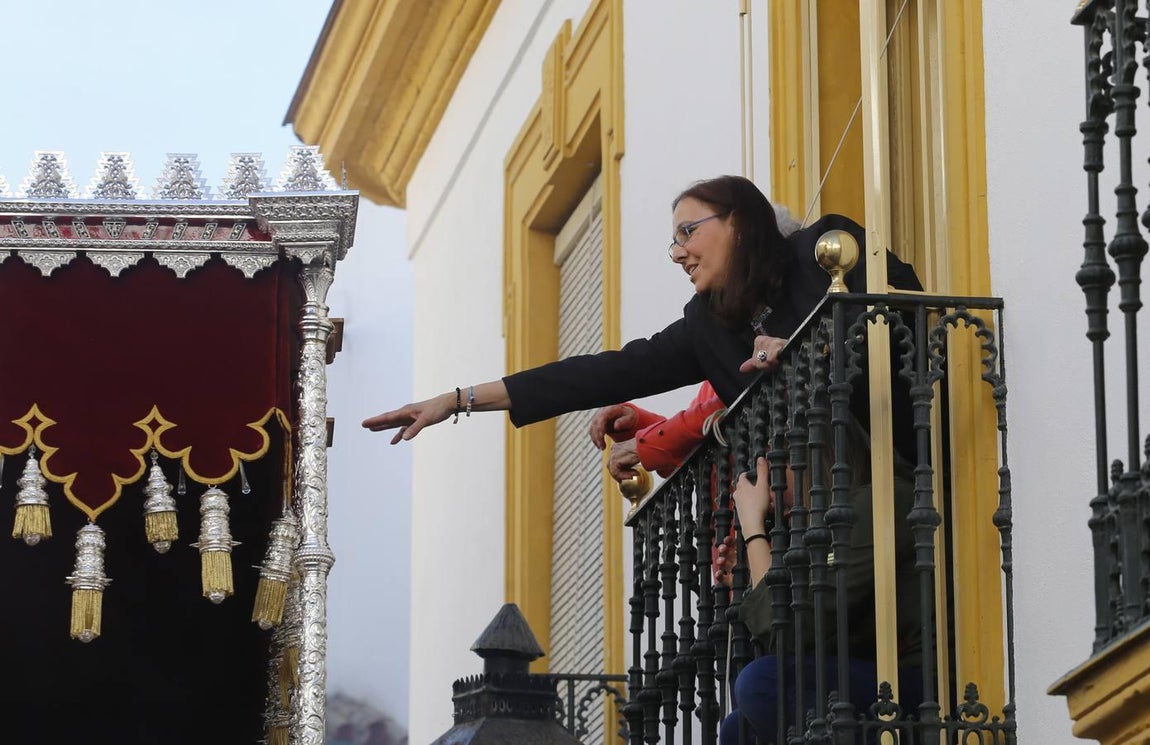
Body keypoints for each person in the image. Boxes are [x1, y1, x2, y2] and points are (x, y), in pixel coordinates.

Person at [361, 175, 922, 443]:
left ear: (740, 222)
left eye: (687, 231)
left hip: (914, 456)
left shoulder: (821, 247)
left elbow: (906, 310)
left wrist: (807, 347)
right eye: (673, 240)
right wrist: (456, 400)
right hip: (822, 523)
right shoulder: (709, 327)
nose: (677, 251)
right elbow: (599, 375)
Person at [712, 418, 924, 745]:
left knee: (759, 682)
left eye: (776, 466)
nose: (770, 489)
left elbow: (790, 633)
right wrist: (755, 566)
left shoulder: (879, 501)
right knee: (737, 728)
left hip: (924, 689)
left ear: (813, 458)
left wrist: (754, 529)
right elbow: (805, 635)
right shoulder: (829, 525)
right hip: (881, 680)